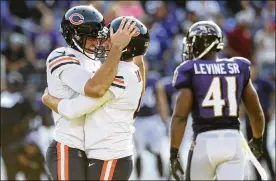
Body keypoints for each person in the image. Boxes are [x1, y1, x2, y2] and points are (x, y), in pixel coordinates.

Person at [42, 16, 149, 180]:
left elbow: (74, 108)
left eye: (110, 38)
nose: (104, 42)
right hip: (108, 155)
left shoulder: (119, 73)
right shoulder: (132, 70)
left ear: (125, 46)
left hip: (108, 157)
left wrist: (48, 100)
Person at [169, 21, 265, 180]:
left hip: (204, 141)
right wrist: (257, 139)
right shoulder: (238, 66)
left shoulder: (189, 69)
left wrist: (173, 154)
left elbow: (180, 116)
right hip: (233, 140)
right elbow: (256, 112)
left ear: (200, 44)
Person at [133, 59, 167, 180]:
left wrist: (164, 119)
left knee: (158, 149)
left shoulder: (153, 79)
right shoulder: (131, 78)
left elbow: (161, 99)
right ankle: (139, 177)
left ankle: (161, 177)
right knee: (138, 152)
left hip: (153, 119)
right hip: (138, 120)